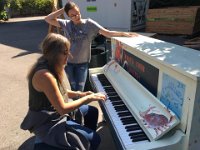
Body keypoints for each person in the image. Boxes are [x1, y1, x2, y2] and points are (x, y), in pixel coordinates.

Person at [20, 33, 106, 150]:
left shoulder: (49, 65)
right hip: (47, 119)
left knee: (92, 111)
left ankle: (83, 141)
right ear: (53, 53)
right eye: (65, 53)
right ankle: (84, 141)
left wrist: (80, 94)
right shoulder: (45, 75)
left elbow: (59, 90)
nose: (69, 56)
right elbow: (63, 109)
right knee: (95, 139)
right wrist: (87, 98)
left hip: (54, 112)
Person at [45, 1, 138, 92]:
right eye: (73, 15)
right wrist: (62, 10)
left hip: (82, 64)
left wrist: (124, 34)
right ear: (68, 16)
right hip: (68, 63)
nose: (77, 16)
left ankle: (78, 106)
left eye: (77, 13)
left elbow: (107, 33)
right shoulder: (66, 24)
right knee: (73, 89)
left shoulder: (89, 24)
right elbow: (48, 19)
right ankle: (76, 107)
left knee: (79, 90)